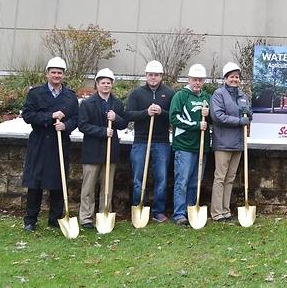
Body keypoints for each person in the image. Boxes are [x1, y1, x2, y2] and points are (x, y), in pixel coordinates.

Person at [20, 57, 80, 232]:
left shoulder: (70, 96)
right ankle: (30, 219)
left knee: (58, 182)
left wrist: (66, 126)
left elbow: (76, 118)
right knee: (35, 183)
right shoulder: (36, 94)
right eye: (53, 72)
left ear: (63, 75)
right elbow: (28, 116)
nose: (56, 75)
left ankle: (55, 218)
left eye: (59, 73)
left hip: (60, 142)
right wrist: (50, 116)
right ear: (47, 74)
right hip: (40, 142)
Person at [78, 68, 128, 229]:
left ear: (112, 85)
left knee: (107, 186)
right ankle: (86, 217)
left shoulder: (117, 104)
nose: (106, 85)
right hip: (92, 150)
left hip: (110, 151)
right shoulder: (87, 103)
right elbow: (83, 125)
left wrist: (116, 118)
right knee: (88, 187)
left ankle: (104, 213)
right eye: (103, 83)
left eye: (108, 83)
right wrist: (102, 131)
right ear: (97, 85)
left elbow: (124, 124)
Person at [125, 60, 174, 223]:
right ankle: (137, 206)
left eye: (156, 75)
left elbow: (174, 116)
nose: (153, 78)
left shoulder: (169, 93)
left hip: (161, 142)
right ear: (146, 76)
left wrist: (162, 111)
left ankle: (158, 211)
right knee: (138, 178)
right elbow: (129, 115)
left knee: (161, 178)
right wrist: (146, 112)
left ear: (161, 76)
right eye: (150, 75)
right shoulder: (136, 93)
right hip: (141, 141)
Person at [169, 63, 211, 226]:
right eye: (194, 80)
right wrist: (195, 125)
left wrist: (208, 115)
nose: (197, 83)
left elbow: (212, 121)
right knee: (183, 181)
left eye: (200, 80)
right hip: (185, 146)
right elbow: (174, 118)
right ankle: (179, 213)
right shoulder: (180, 96)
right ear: (189, 79)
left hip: (201, 147)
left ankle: (190, 209)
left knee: (196, 181)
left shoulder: (206, 97)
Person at [209, 62, 251, 222]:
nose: (235, 79)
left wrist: (249, 114)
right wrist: (240, 121)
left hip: (238, 144)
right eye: (232, 77)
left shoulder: (242, 96)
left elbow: (248, 115)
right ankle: (216, 212)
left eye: (237, 77)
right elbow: (218, 117)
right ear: (225, 78)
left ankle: (226, 210)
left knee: (230, 178)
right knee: (220, 178)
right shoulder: (218, 94)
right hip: (223, 143)